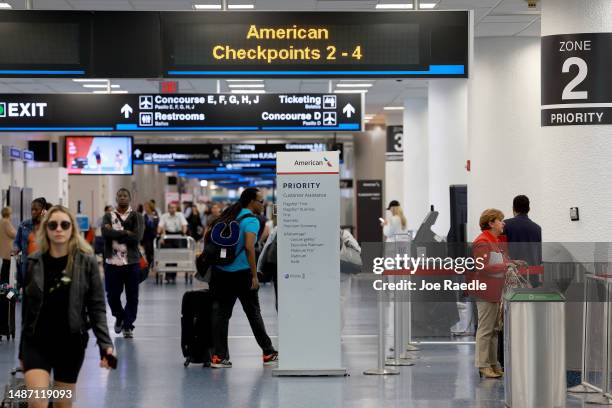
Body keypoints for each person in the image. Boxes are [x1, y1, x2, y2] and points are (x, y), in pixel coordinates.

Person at [20, 206, 115, 408]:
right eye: (53, 225)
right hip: (36, 343)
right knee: (37, 402)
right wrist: (22, 350)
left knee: (62, 404)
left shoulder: (86, 262)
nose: (59, 229)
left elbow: (97, 307)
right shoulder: (33, 262)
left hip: (70, 344)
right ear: (46, 229)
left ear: (72, 228)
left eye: (65, 225)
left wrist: (105, 345)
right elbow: (27, 309)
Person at [210, 188, 278, 368]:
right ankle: (268, 352)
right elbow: (249, 247)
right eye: (261, 201)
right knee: (253, 313)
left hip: (220, 272)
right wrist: (254, 276)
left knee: (221, 314)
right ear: (251, 202)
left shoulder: (228, 214)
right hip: (241, 274)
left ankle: (219, 357)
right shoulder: (251, 220)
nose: (263, 205)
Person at [468, 209, 516, 379]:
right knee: (486, 329)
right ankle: (483, 365)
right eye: (500, 220)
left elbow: (499, 261)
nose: (503, 223)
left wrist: (512, 263)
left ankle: (493, 363)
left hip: (494, 290)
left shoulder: (494, 241)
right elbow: (482, 267)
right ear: (491, 223)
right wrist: (505, 267)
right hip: (485, 291)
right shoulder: (482, 242)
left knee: (495, 329)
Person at [102, 188, 144, 339]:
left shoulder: (137, 216)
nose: (122, 198)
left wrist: (116, 234)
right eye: (120, 195)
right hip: (112, 263)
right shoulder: (108, 216)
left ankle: (128, 325)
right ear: (116, 198)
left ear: (130, 198)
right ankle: (119, 316)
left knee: (132, 296)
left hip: (131, 263)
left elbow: (137, 237)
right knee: (112, 295)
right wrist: (126, 233)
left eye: (125, 195)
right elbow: (106, 234)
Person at [503, 195, 542, 283]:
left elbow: (499, 252)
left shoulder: (505, 225)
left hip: (513, 276)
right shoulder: (537, 228)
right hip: (533, 277)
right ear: (529, 209)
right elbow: (540, 255)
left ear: (513, 208)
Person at [14, 197, 47, 289]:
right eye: (32, 209)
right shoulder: (24, 225)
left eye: (36, 210)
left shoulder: (48, 226)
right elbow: (17, 242)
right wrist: (15, 249)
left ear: (43, 210)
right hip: (26, 264)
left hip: (42, 264)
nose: (33, 212)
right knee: (26, 291)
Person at [0, 207, 16, 285]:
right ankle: (5, 283)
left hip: (3, 246)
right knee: (7, 266)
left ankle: (3, 282)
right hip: (8, 247)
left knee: (4, 265)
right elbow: (12, 233)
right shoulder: (6, 222)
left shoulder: (1, 221)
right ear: (8, 214)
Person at [142, 201, 159, 267]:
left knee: (153, 250)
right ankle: (149, 263)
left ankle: (153, 263)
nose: (145, 208)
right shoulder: (144, 216)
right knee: (148, 250)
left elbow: (157, 224)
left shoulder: (155, 215)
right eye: (144, 207)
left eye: (146, 207)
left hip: (154, 235)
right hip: (146, 236)